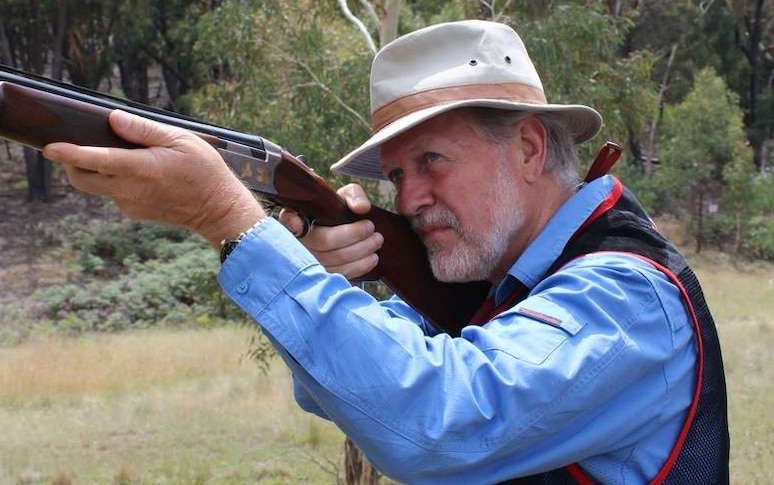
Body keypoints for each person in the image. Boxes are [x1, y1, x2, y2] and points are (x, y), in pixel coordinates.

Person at [43, 20, 729, 485]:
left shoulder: (625, 295)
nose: (412, 196)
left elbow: (435, 422)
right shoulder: (506, 284)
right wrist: (323, 277)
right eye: (397, 175)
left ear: (527, 148)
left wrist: (227, 217)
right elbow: (342, 390)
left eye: (432, 160)